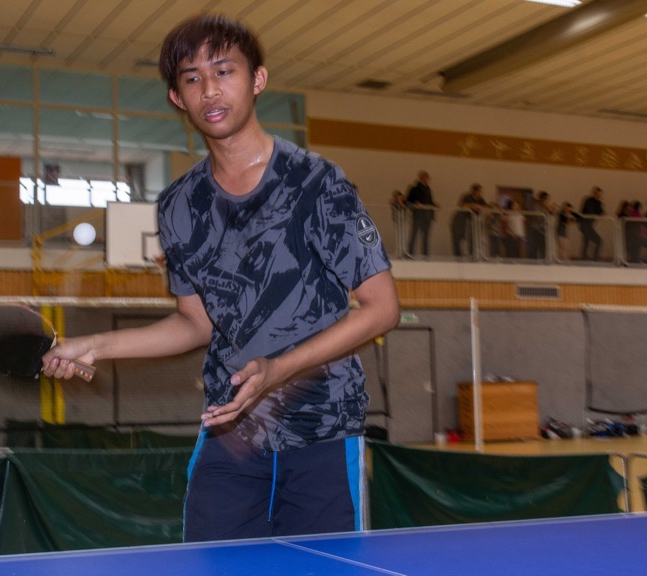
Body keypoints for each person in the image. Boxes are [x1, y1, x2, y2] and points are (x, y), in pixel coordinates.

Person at [42, 14, 400, 542]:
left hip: (323, 431)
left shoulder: (318, 183)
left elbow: (382, 308)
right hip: (230, 434)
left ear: (257, 80)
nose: (209, 89)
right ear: (177, 98)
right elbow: (195, 324)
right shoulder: (178, 206)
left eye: (224, 71)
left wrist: (279, 369)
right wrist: (94, 345)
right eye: (192, 78)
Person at [406, 170, 438, 257]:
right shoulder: (414, 189)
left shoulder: (428, 189)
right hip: (418, 215)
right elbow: (408, 200)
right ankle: (410, 253)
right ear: (421, 178)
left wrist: (434, 205)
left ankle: (425, 254)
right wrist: (415, 203)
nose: (427, 180)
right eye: (425, 178)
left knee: (426, 236)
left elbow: (429, 201)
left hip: (427, 215)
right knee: (414, 234)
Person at [451, 183, 485, 258]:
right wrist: (473, 206)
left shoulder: (481, 199)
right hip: (460, 222)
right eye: (479, 191)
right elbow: (463, 206)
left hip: (472, 223)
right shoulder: (467, 197)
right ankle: (457, 257)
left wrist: (479, 207)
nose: (481, 193)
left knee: (472, 239)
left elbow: (485, 207)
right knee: (457, 239)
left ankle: (472, 255)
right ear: (474, 191)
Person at [579, 186, 605, 261]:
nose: (599, 196)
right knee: (598, 241)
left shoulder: (598, 202)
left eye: (600, 194)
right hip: (584, 225)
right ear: (594, 193)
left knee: (586, 240)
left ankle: (584, 257)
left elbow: (601, 212)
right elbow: (589, 211)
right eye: (598, 194)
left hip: (589, 225)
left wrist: (599, 203)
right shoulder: (588, 200)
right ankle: (594, 258)